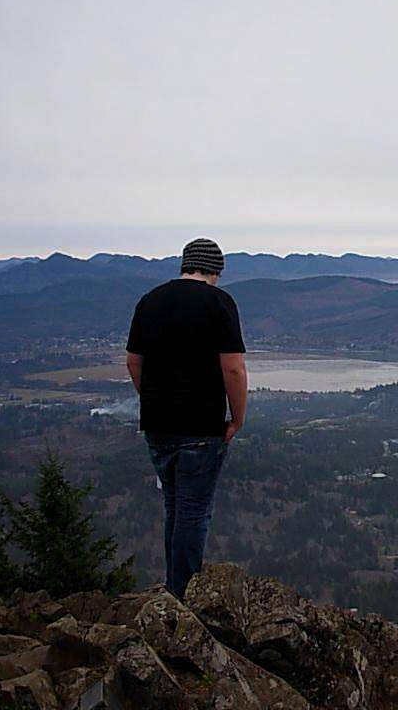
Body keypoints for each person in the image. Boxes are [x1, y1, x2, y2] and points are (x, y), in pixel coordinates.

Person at [125, 238, 248, 598]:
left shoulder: (150, 301)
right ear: (216, 270)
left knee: (174, 507)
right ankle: (185, 595)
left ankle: (174, 587)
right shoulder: (219, 302)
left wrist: (151, 398)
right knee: (193, 512)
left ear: (184, 264)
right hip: (202, 427)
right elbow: (234, 370)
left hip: (158, 425)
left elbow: (134, 361)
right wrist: (236, 418)